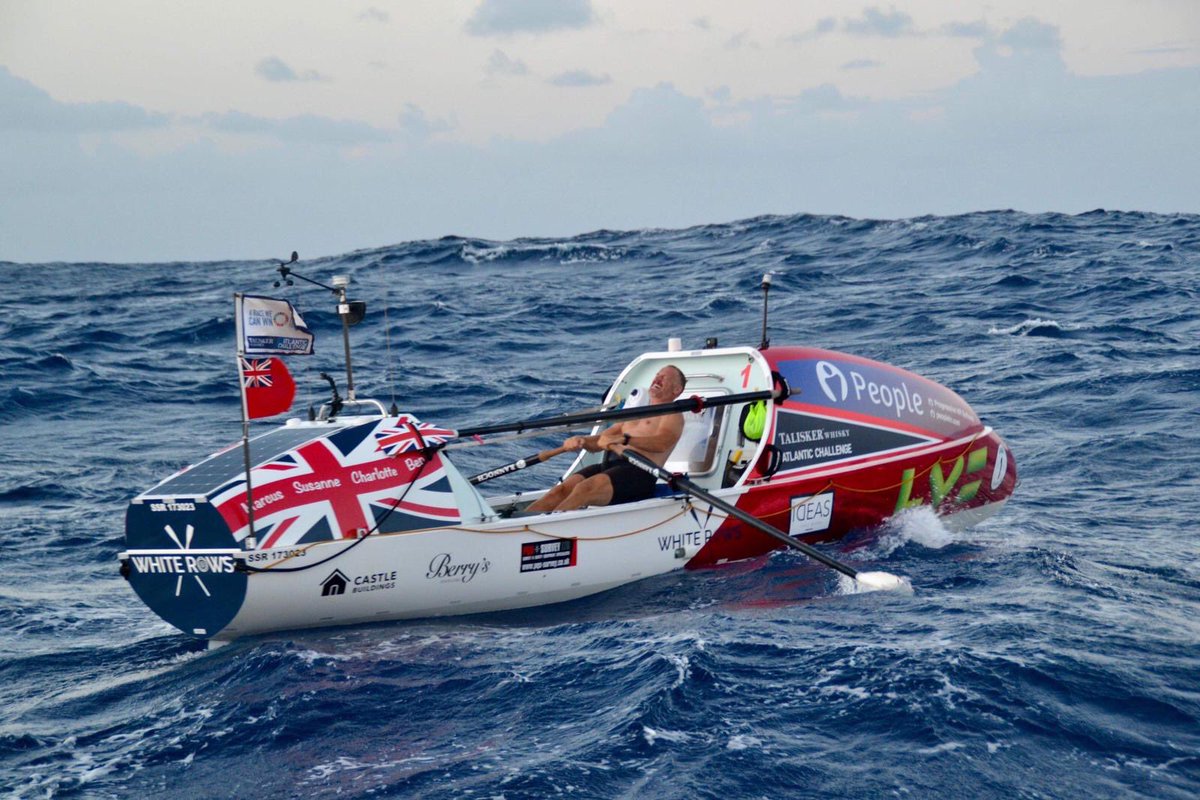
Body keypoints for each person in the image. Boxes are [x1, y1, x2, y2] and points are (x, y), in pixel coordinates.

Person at [526, 365, 688, 513]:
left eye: (665, 378)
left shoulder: (673, 415)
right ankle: (524, 523)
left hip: (640, 473)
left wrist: (624, 440)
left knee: (585, 488)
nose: (658, 378)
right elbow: (602, 440)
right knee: (560, 490)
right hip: (611, 465)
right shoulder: (636, 412)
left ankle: (549, 525)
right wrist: (582, 440)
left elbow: (662, 443)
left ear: (676, 389)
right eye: (657, 374)